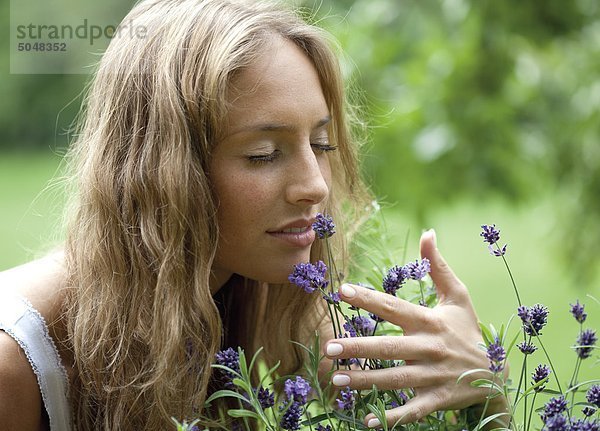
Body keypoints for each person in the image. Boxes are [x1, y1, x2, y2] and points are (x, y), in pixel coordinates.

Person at [0, 0, 507, 429]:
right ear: (161, 173)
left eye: (322, 143)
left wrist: (485, 385)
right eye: (264, 153)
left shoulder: (274, 308)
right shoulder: (16, 363)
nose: (314, 186)